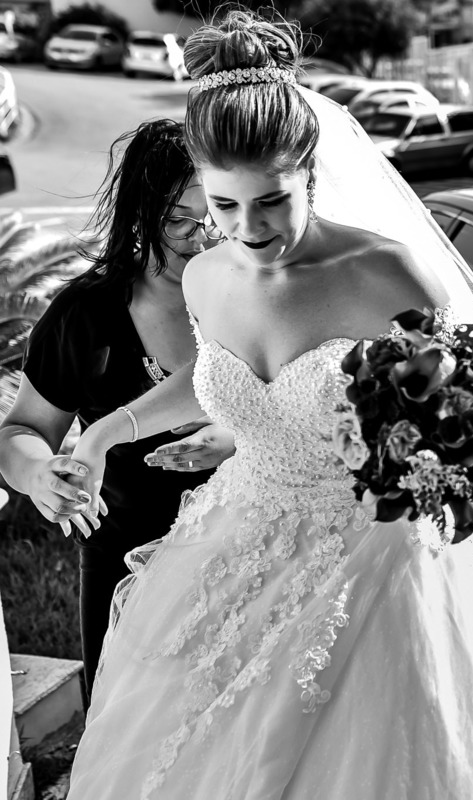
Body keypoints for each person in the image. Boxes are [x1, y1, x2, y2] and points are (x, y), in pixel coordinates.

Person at [63, 12, 473, 799]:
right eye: (222, 206)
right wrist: (114, 434)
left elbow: (471, 415)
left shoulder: (386, 273)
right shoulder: (205, 277)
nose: (246, 229)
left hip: (377, 559)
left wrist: (434, 455)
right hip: (239, 538)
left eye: (271, 201)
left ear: (310, 170)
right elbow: (216, 375)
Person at [0, 119, 235, 702]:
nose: (202, 236)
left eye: (216, 215)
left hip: (250, 558)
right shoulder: (86, 313)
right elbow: (21, 430)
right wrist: (39, 473)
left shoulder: (256, 295)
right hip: (122, 564)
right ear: (139, 213)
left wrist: (233, 437)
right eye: (179, 220)